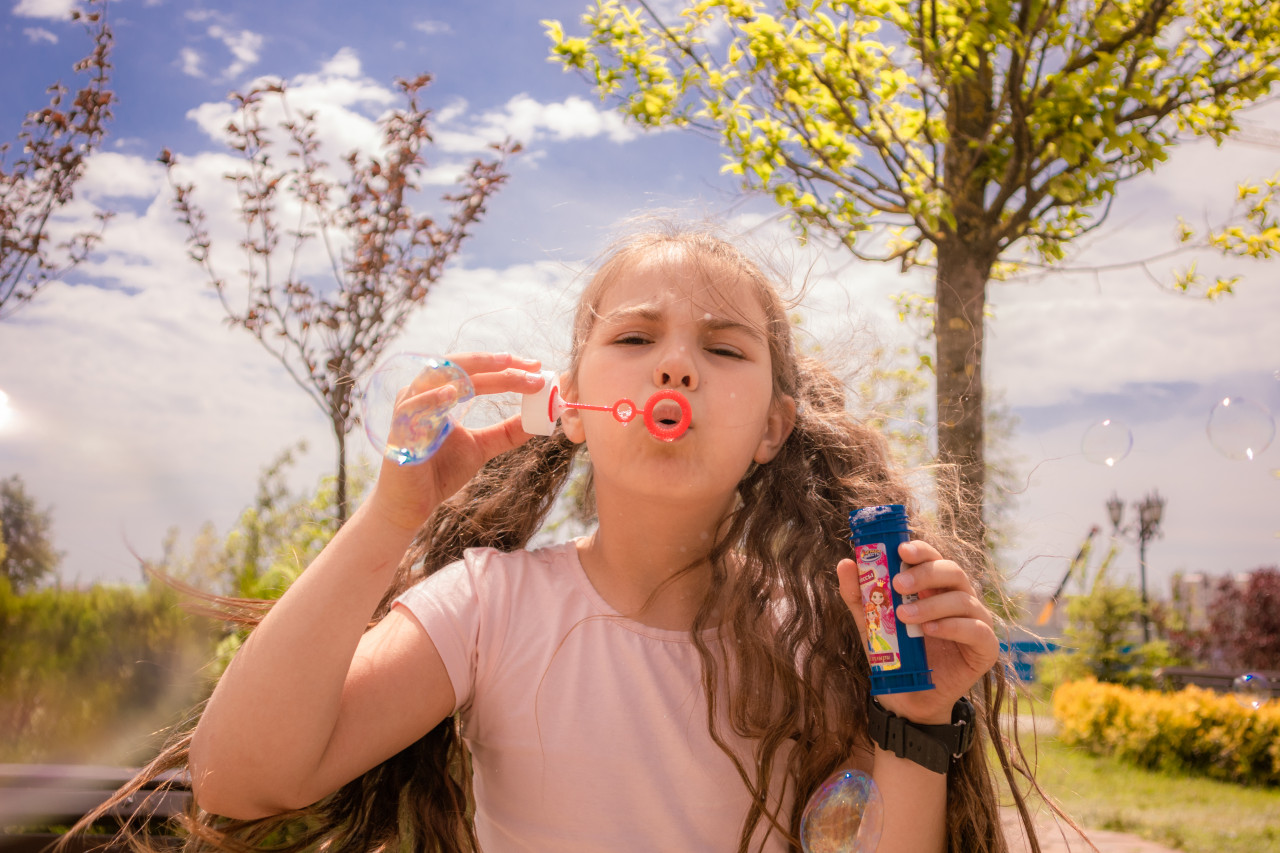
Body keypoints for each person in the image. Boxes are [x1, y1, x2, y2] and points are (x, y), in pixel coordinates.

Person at [68, 221, 1060, 852]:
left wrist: (915, 721)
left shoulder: (825, 626)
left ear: (769, 425)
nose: (674, 366)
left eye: (721, 348)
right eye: (634, 339)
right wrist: (388, 518)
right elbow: (243, 779)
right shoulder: (489, 606)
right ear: (575, 406)